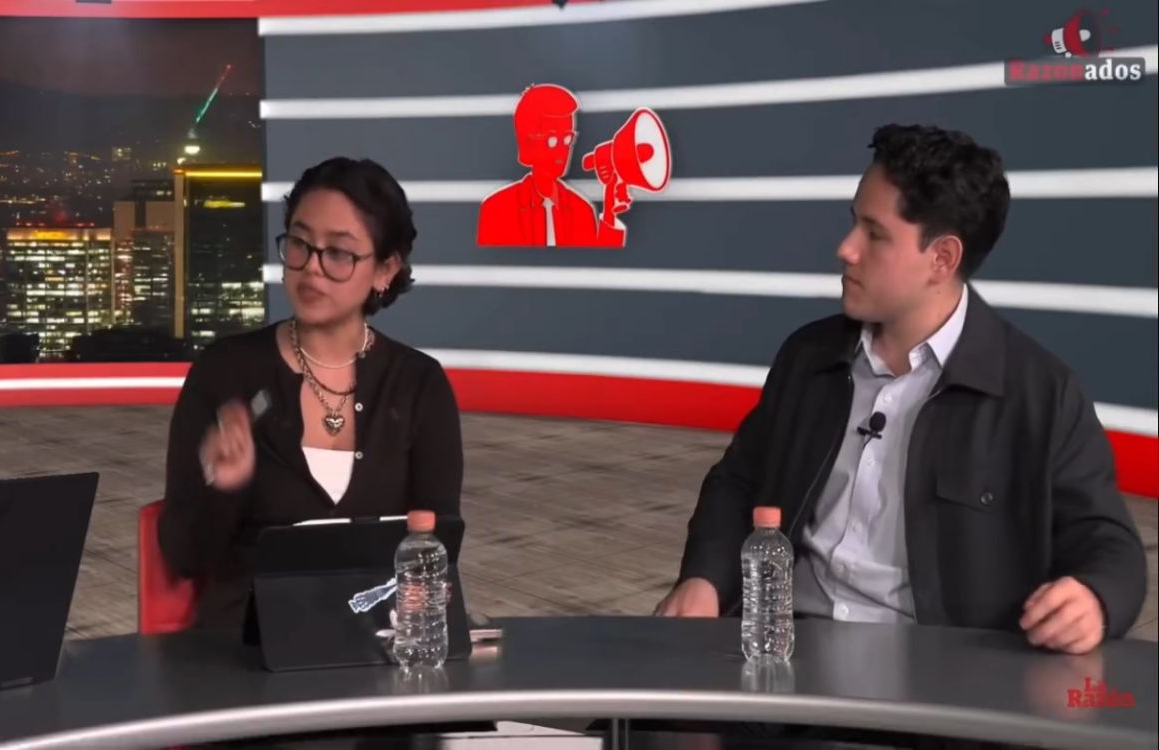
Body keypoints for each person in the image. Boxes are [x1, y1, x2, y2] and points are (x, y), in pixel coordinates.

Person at [655, 124, 1147, 655]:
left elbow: (1110, 546)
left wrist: (1095, 598)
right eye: (853, 223)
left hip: (939, 676)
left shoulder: (1041, 394)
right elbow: (738, 482)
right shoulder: (808, 358)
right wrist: (705, 578)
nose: (846, 249)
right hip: (785, 648)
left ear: (942, 259)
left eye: (875, 234)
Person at [158, 156, 463, 629]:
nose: (312, 268)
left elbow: (436, 552)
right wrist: (224, 487)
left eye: (339, 253)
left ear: (385, 270)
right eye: (300, 244)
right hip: (246, 643)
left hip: (377, 641)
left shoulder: (419, 385)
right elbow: (184, 557)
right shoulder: (225, 372)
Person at [476, 83, 626, 247]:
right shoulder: (497, 208)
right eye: (552, 140)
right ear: (528, 142)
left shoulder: (582, 209)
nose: (563, 150)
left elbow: (598, 261)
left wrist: (610, 215)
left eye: (567, 139)